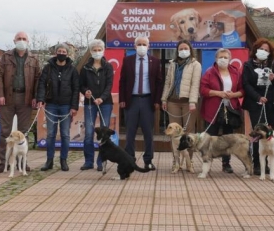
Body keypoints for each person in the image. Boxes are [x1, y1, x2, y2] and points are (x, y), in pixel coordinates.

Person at [0, 31, 41, 173]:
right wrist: (0, 94)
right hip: (8, 98)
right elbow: (0, 76)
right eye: (19, 39)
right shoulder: (6, 56)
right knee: (5, 132)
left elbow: (38, 79)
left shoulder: (34, 59)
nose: (21, 41)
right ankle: (4, 162)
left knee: (23, 132)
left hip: (26, 99)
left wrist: (36, 97)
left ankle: (23, 163)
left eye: (24, 39)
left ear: (28, 41)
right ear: (14, 41)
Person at [242, 38, 274, 176]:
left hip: (272, 104)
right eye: (261, 49)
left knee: (269, 134)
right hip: (256, 103)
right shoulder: (248, 65)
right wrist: (258, 97)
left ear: (270, 53)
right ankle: (257, 164)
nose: (263, 52)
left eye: (266, 50)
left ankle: (268, 164)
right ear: (255, 50)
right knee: (257, 134)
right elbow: (246, 84)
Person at [119, 36, 163, 171]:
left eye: (144, 44)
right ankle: (129, 159)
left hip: (147, 100)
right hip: (131, 100)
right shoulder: (127, 60)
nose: (142, 46)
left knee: (148, 133)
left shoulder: (155, 61)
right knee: (130, 132)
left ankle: (148, 160)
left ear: (149, 47)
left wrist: (157, 100)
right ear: (134, 46)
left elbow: (159, 82)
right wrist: (122, 99)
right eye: (139, 44)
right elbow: (123, 81)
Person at [199, 48, 244, 173]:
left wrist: (233, 95)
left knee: (227, 138)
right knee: (210, 137)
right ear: (216, 59)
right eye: (220, 57)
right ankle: (207, 163)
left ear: (230, 59)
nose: (223, 59)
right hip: (213, 110)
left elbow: (242, 90)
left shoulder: (236, 73)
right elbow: (203, 90)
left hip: (230, 109)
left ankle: (226, 163)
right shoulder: (209, 72)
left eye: (225, 57)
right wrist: (218, 93)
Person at [36, 43, 80, 172]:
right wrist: (40, 99)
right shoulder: (48, 68)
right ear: (56, 53)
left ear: (67, 54)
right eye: (59, 51)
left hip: (66, 106)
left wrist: (74, 106)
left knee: (65, 134)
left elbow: (76, 89)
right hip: (51, 105)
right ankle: (49, 160)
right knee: (50, 134)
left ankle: (63, 160)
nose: (61, 53)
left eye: (64, 51)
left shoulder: (72, 70)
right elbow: (42, 84)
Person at [79, 39, 114, 171]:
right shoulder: (85, 68)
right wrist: (85, 91)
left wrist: (102, 98)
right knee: (89, 132)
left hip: (105, 103)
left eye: (99, 50)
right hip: (89, 104)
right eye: (95, 50)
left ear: (103, 50)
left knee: (104, 133)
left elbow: (109, 85)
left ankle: (101, 161)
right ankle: (88, 161)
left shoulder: (108, 66)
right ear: (91, 51)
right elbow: (81, 85)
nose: (97, 52)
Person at [161, 40, 201, 131]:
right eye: (181, 49)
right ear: (177, 51)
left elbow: (195, 84)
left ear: (190, 50)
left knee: (189, 131)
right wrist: (164, 99)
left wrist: (192, 102)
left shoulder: (196, 65)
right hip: (172, 102)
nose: (183, 50)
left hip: (188, 103)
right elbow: (167, 83)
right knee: (174, 132)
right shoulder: (172, 64)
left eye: (186, 48)